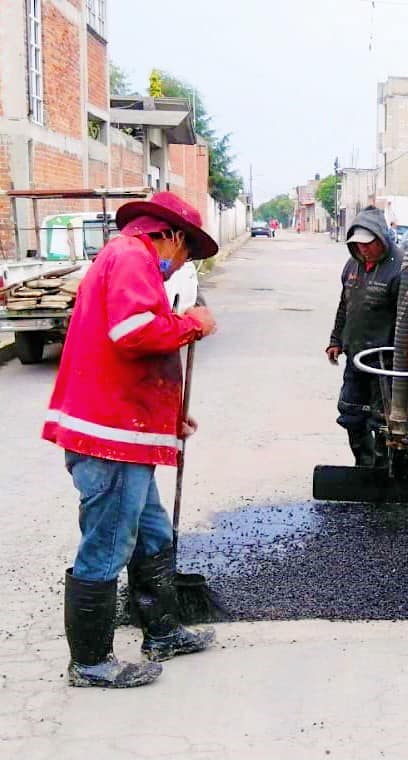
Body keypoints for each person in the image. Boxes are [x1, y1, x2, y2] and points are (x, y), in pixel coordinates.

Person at [42, 191, 219, 689]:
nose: (181, 264)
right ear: (174, 237)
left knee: (153, 534)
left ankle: (161, 632)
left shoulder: (125, 257)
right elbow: (135, 333)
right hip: (110, 437)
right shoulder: (131, 257)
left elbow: (126, 355)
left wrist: (167, 420)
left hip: (126, 430)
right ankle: (91, 662)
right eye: (187, 254)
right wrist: (193, 325)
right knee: (110, 543)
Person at [327, 206, 402, 468]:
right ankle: (363, 464)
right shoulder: (352, 265)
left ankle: (382, 471)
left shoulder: (400, 269)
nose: (363, 250)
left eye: (368, 244)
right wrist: (336, 340)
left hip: (385, 362)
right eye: (358, 245)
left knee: (383, 421)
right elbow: (344, 305)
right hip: (355, 357)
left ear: (381, 239)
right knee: (350, 414)